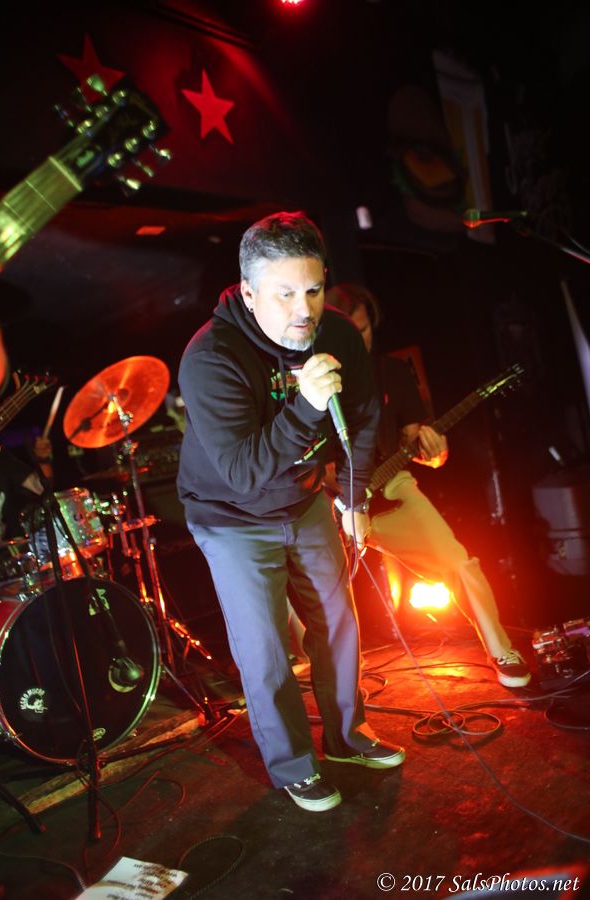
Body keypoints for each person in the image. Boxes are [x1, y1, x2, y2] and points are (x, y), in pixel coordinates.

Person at [177, 212, 406, 812]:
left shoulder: (336, 334)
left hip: (303, 499)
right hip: (231, 514)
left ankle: (347, 738)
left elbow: (363, 418)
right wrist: (305, 407)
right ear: (249, 293)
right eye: (284, 294)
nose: (303, 310)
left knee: (338, 621)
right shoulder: (211, 357)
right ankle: (293, 765)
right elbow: (243, 470)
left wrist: (354, 498)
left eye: (313, 289)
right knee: (267, 647)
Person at [325, 283, 531, 689]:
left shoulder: (391, 373)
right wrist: (339, 499)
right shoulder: (313, 381)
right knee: (321, 590)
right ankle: (331, 675)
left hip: (390, 488)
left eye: (364, 330)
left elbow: (420, 446)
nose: (360, 340)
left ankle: (501, 649)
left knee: (458, 562)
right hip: (333, 499)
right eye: (350, 332)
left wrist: (435, 450)